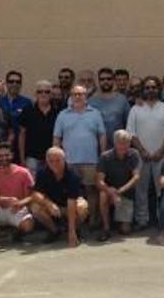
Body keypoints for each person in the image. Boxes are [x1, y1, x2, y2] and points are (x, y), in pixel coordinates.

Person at [126, 76, 164, 230]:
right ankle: (142, 220)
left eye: (153, 87)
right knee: (140, 190)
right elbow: (131, 133)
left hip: (162, 155)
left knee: (162, 190)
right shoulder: (136, 109)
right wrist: (142, 151)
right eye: (147, 88)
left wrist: (160, 152)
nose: (151, 90)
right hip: (140, 156)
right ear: (143, 90)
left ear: (159, 88)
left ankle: (163, 220)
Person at [53, 84, 106, 228]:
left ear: (86, 96)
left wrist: (102, 156)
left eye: (81, 94)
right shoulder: (63, 115)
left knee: (91, 191)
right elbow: (57, 138)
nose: (78, 97)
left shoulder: (95, 113)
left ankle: (93, 219)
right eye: (75, 94)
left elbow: (101, 136)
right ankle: (73, 221)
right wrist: (56, 160)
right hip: (69, 162)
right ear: (71, 96)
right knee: (70, 192)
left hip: (91, 160)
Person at [29, 147, 89, 247]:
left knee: (82, 207)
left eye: (58, 160)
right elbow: (35, 194)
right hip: (53, 206)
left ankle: (75, 229)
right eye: (51, 161)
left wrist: (71, 232)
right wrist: (49, 204)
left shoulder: (73, 174)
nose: (54, 164)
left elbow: (71, 202)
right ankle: (55, 231)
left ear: (64, 160)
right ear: (47, 161)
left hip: (70, 205)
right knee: (35, 207)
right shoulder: (42, 172)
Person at [0, 142, 35, 249]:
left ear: (12, 155)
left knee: (28, 226)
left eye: (6, 155)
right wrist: (4, 199)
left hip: (17, 207)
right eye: (0, 156)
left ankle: (16, 232)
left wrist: (21, 203)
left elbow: (32, 195)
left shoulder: (23, 172)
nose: (4, 158)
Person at [96, 129, 141, 241]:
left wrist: (120, 191)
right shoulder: (105, 156)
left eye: (126, 143)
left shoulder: (134, 154)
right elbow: (99, 181)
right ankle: (106, 228)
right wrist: (110, 191)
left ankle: (121, 222)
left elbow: (136, 177)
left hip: (126, 192)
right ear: (114, 143)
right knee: (102, 194)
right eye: (120, 143)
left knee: (125, 231)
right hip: (109, 192)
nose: (123, 146)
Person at [19, 80, 60, 174]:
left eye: (47, 92)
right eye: (40, 91)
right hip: (32, 157)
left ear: (51, 94)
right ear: (35, 94)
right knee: (32, 186)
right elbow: (22, 135)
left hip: (52, 157)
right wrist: (22, 158)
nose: (43, 94)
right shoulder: (27, 110)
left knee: (50, 186)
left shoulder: (58, 111)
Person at [89, 67, 131, 147]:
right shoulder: (91, 101)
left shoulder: (122, 100)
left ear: (113, 81)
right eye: (102, 79)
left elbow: (128, 124)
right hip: (96, 147)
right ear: (98, 81)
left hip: (119, 146)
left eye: (109, 79)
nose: (106, 81)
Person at [0, 71, 31, 156]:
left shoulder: (27, 103)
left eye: (18, 82)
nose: (14, 84)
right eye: (11, 81)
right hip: (2, 146)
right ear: (6, 83)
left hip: (21, 146)